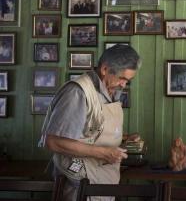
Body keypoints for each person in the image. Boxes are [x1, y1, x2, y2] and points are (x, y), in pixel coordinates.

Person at [38, 44, 142, 201]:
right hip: (79, 184)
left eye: (128, 80)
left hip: (102, 179)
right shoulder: (78, 92)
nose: (123, 85)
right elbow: (53, 142)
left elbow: (89, 132)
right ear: (105, 69)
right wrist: (105, 153)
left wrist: (124, 139)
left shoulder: (108, 90)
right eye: (122, 78)